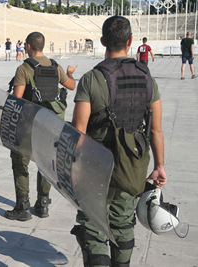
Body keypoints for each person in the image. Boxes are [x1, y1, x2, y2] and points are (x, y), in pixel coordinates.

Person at [71, 16, 167, 266]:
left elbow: (78, 131)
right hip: (132, 167)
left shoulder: (92, 79)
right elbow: (156, 130)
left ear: (103, 41)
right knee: (123, 225)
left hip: (95, 167)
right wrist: (159, 166)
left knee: (93, 226)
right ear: (131, 41)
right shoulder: (147, 79)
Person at [5, 31, 77, 221]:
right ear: (42, 46)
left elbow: (17, 99)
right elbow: (71, 85)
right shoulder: (55, 66)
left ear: (28, 46)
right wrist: (69, 73)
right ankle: (43, 204)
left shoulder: (24, 69)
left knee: (20, 162)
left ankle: (23, 207)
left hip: (28, 124)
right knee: (45, 163)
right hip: (50, 124)